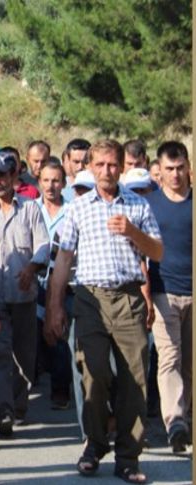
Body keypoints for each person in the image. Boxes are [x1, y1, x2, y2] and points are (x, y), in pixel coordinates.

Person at [45, 139, 163, 484]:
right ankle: (94, 444)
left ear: (122, 166)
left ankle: (128, 457)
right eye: (100, 165)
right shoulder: (79, 207)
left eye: (113, 165)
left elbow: (156, 252)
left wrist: (132, 232)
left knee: (135, 380)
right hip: (90, 299)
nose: (107, 171)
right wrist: (54, 307)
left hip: (128, 299)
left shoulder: (138, 206)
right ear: (90, 167)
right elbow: (64, 258)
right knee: (93, 376)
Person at [0, 151, 49, 436]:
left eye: (3, 175)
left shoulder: (31, 209)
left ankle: (19, 404)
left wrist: (32, 267)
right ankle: (4, 409)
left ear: (14, 177)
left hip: (24, 295)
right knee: (0, 353)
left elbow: (44, 245)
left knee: (24, 355)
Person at [146, 141, 192, 454]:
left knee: (189, 363)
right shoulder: (148, 205)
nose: (175, 175)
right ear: (159, 172)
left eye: (180, 168)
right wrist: (145, 294)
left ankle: (186, 417)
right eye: (169, 169)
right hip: (164, 292)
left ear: (188, 167)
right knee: (169, 358)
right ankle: (175, 421)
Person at [34, 161, 73, 410]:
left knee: (59, 336)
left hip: (62, 282)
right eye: (46, 180)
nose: (51, 186)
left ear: (64, 183)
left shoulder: (71, 211)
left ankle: (60, 391)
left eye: (56, 180)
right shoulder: (29, 208)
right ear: (39, 182)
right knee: (32, 337)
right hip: (33, 280)